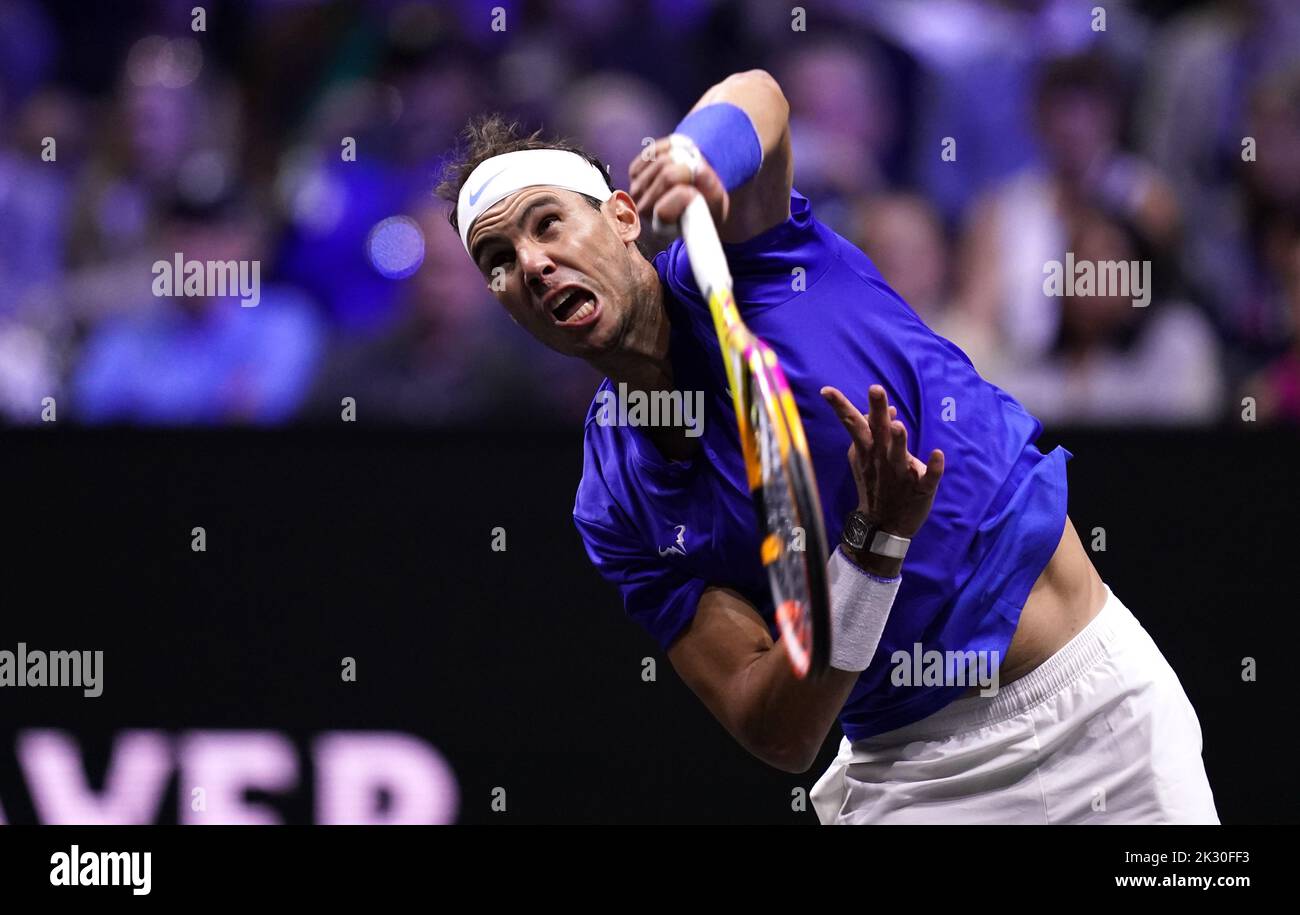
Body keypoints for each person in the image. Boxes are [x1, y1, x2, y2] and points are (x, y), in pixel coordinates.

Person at [434, 69, 1218, 824]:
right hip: (910, 784)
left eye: (548, 223)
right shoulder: (614, 499)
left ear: (624, 217)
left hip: (1100, 715)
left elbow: (761, 100)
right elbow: (776, 729)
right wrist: (871, 551)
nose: (531, 265)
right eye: (497, 262)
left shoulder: (761, 260)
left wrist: (698, 151)